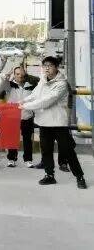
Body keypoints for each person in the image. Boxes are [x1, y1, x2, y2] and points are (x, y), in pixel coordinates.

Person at [20, 57, 87, 189]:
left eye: (50, 65)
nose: (47, 68)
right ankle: (49, 175)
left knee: (68, 151)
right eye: (45, 65)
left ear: (56, 67)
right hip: (44, 122)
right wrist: (23, 101)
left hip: (58, 124)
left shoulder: (61, 84)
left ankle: (79, 177)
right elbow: (35, 95)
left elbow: (47, 100)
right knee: (46, 151)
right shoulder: (43, 80)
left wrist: (26, 106)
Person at [5, 65, 39, 167]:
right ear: (14, 75)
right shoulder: (9, 85)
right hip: (12, 117)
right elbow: (0, 86)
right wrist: (5, 77)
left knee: (27, 139)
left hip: (27, 116)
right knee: (12, 139)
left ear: (25, 74)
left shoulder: (32, 86)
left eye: (21, 74)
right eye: (17, 74)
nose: (20, 76)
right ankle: (11, 159)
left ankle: (28, 160)